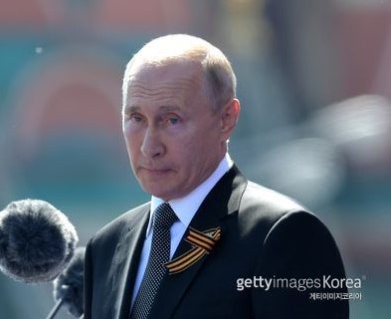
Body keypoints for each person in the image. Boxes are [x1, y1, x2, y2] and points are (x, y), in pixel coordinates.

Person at [83, 34, 349, 319]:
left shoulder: (285, 236)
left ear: (226, 119)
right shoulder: (105, 247)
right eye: (137, 119)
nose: (149, 147)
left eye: (172, 120)